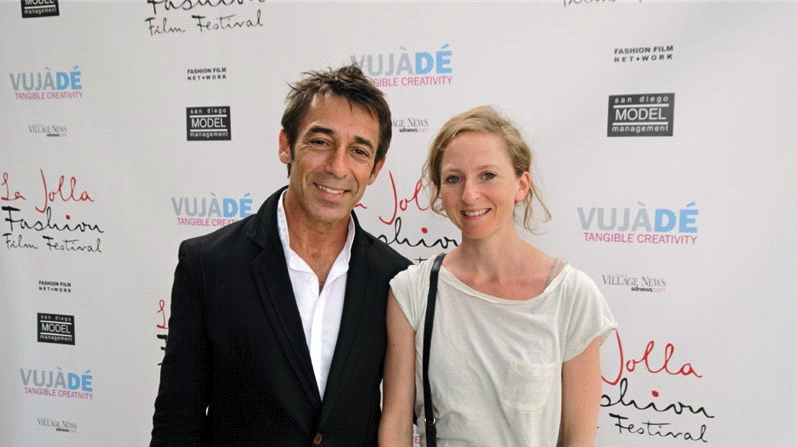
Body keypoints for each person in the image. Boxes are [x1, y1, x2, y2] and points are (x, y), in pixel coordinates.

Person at [151, 64, 412, 446]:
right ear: (285, 144)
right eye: (320, 142)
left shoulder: (395, 278)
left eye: (358, 151)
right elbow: (177, 421)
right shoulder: (208, 265)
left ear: (375, 169)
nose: (337, 166)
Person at [379, 106, 616, 447]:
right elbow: (396, 423)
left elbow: (578, 439)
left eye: (487, 175)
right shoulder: (412, 290)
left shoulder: (572, 296)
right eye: (454, 178)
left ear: (522, 185)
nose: (469, 195)